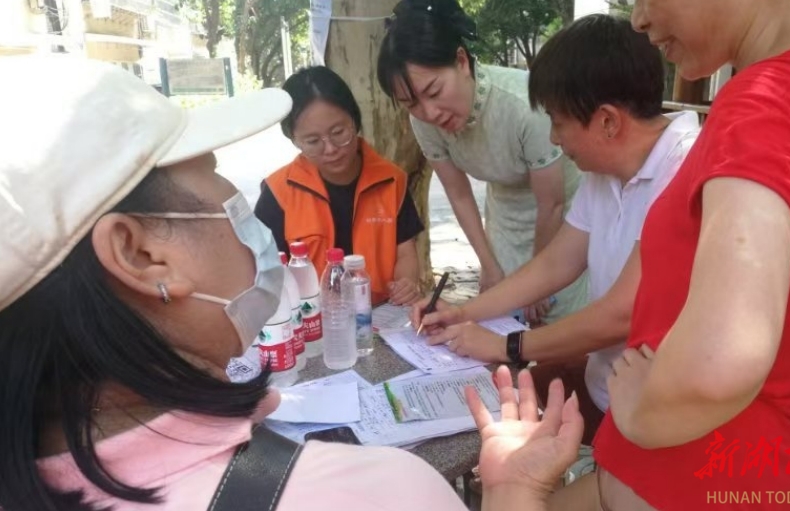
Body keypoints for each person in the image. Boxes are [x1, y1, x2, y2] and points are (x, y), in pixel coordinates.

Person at [0, 54, 584, 511]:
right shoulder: (375, 490)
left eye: (341, 131)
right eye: (213, 183)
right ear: (140, 253)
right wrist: (512, 493)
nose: (238, 211)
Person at [546, 0, 790, 510]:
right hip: (769, 473)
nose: (638, 19)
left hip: (685, 476)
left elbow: (722, 358)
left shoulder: (766, 101)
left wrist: (639, 414)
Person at [412, 14, 700, 445]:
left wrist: (506, 346)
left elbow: (623, 312)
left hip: (659, 418)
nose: (554, 138)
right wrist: (467, 312)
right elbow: (556, 262)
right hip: (607, 386)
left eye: (559, 122)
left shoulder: (684, 168)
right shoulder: (607, 169)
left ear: (607, 121)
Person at [377, 0, 588, 324]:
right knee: (501, 325)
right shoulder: (424, 121)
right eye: (411, 103)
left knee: (561, 331)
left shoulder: (525, 106)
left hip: (565, 222)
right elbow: (459, 195)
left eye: (434, 91)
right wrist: (489, 266)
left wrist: (539, 283)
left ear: (461, 61)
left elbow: (553, 204)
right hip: (504, 218)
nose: (429, 112)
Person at [255, 66, 424, 306]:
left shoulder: (391, 180)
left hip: (379, 315)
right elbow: (265, 270)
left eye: (338, 132)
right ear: (294, 139)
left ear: (355, 121)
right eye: (313, 141)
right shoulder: (278, 192)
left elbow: (405, 252)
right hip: (311, 322)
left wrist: (406, 283)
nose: (331, 149)